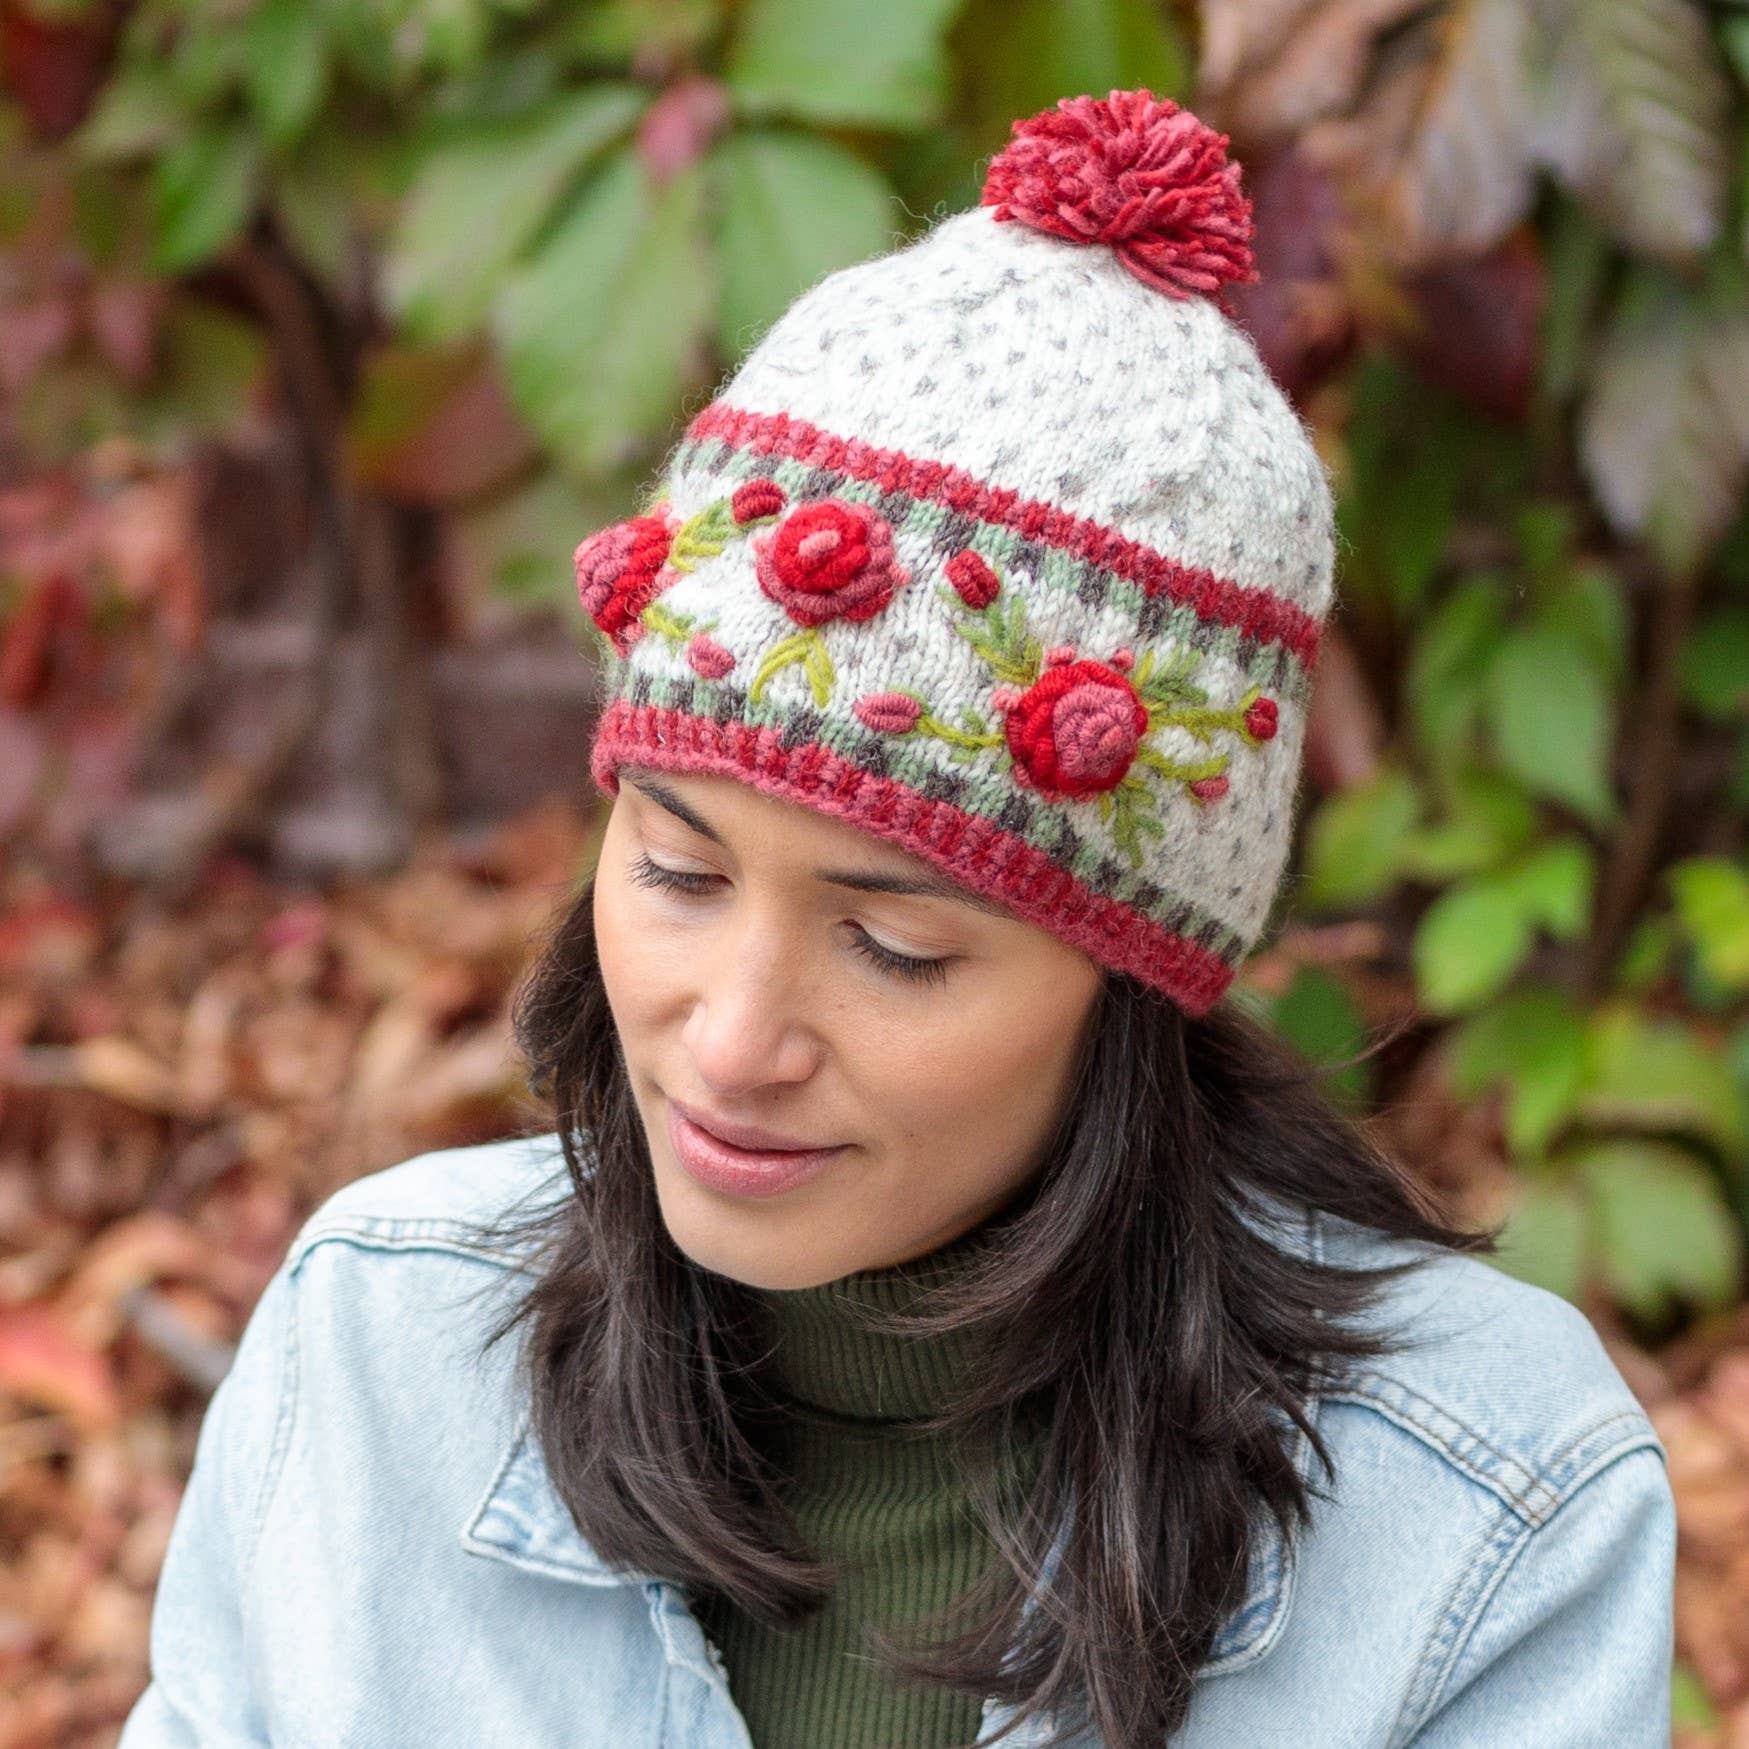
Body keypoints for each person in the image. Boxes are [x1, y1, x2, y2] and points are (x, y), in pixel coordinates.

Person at [119, 90, 1675, 1748]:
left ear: (1128, 982)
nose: (729, 1039)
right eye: (677, 868)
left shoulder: (1487, 1504)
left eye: (897, 944)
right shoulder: (376, 1350)